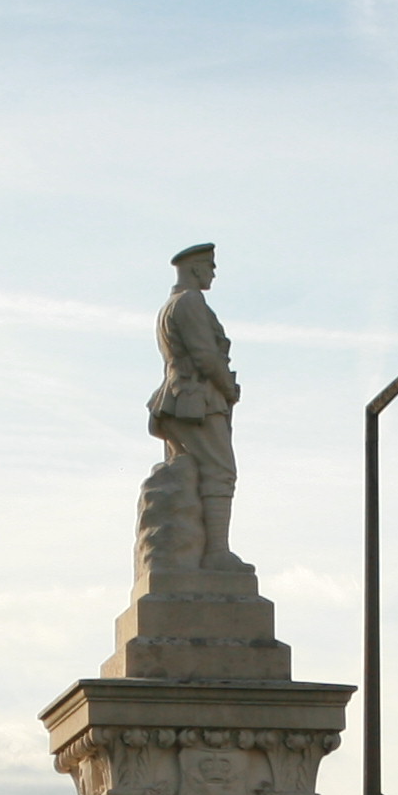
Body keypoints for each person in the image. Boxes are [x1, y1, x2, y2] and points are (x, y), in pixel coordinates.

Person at [146, 243, 246, 572]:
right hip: (195, 401)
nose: (213, 272)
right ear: (196, 268)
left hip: (186, 399)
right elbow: (205, 355)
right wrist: (227, 387)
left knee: (193, 475)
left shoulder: (173, 304)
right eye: (210, 266)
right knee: (220, 472)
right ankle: (216, 551)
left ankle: (200, 551)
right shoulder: (189, 302)